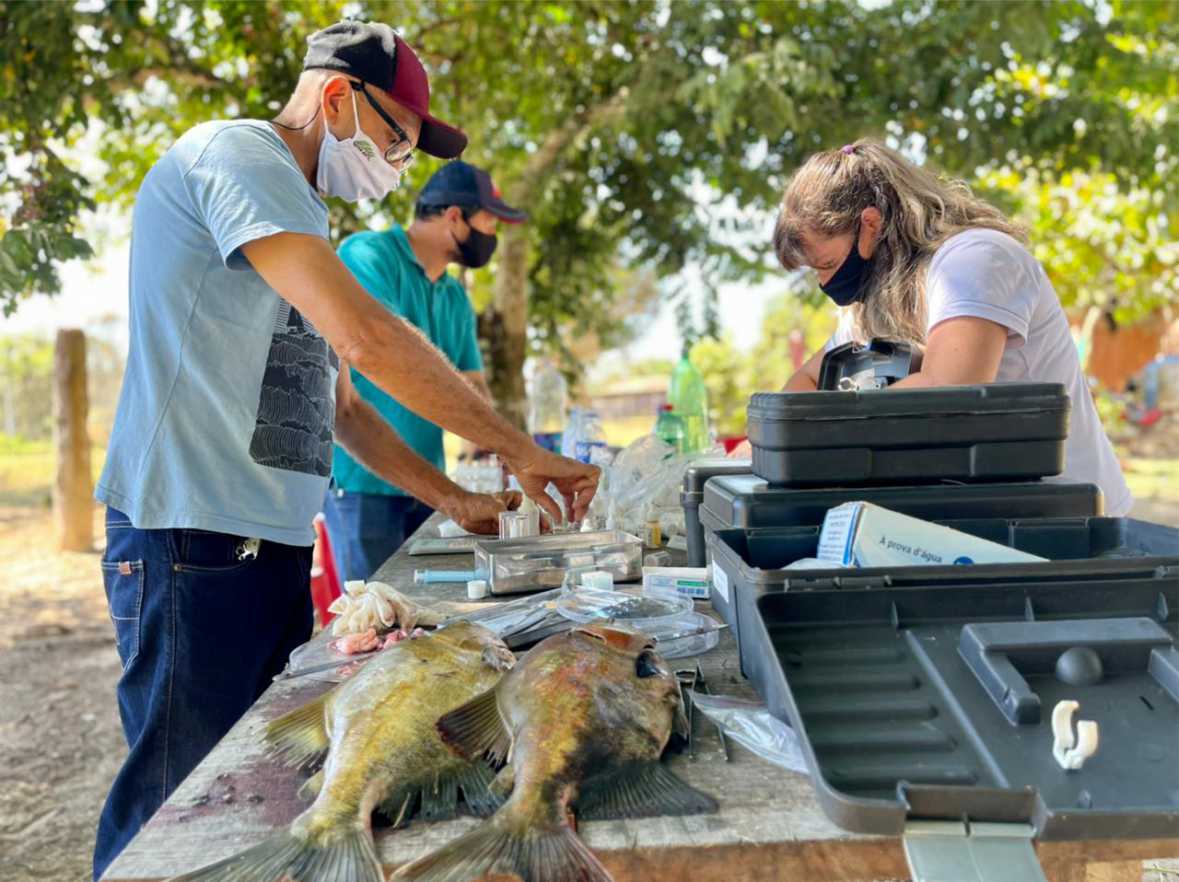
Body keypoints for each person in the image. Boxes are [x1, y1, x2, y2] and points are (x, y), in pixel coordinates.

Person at [92, 21, 598, 879]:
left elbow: (343, 410)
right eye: (396, 138)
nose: (397, 165)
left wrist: (452, 494)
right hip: (190, 537)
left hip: (267, 545)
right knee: (176, 807)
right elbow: (366, 335)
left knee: (261, 790)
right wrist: (519, 449)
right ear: (335, 98)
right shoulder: (238, 157)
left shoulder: (298, 219)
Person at [758, 138, 1131, 514]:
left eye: (827, 264)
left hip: (1067, 517)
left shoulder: (974, 260)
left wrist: (822, 429)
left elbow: (946, 393)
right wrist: (766, 443)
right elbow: (806, 384)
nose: (825, 283)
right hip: (986, 514)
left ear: (869, 225)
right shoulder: (876, 299)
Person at [325, 161, 526, 581]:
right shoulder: (367, 256)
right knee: (375, 622)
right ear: (455, 217)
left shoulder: (454, 296)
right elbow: (388, 355)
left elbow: (472, 389)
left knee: (423, 619)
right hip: (366, 484)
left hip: (433, 487)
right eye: (490, 222)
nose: (493, 235)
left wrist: (501, 455)